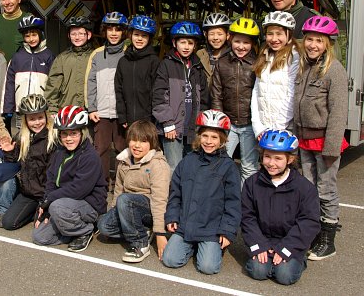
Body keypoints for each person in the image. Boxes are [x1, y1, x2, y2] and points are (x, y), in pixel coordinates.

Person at [162, 110, 241, 275]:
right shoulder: (187, 161)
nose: (209, 141)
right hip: (186, 225)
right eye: (205, 136)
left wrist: (227, 231)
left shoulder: (228, 167)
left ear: (223, 140)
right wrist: (172, 216)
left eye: (214, 137)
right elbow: (175, 193)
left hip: (211, 229)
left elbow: (233, 203)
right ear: (199, 136)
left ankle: (209, 248)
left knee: (208, 267)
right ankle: (194, 246)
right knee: (170, 260)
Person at [294, 16, 347, 260]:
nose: (313, 45)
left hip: (324, 140)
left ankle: (328, 240)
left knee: (326, 189)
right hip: (304, 138)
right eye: (310, 39)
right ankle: (314, 232)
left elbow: (338, 111)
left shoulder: (334, 70)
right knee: (309, 188)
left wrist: (332, 148)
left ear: (328, 43)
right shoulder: (304, 66)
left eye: (319, 40)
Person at [242, 129, 320, 285]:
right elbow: (247, 217)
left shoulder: (304, 188)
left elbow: (309, 222)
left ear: (290, 159)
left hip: (291, 242)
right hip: (263, 239)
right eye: (267, 156)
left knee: (285, 276)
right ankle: (269, 261)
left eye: (278, 158)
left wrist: (287, 248)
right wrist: (259, 245)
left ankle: (295, 260)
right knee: (258, 271)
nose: (271, 163)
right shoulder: (252, 183)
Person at [32, 105, 107, 253]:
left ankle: (85, 230)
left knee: (57, 207)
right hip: (64, 204)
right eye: (64, 134)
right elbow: (51, 180)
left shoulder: (90, 156)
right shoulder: (59, 152)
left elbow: (78, 190)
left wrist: (50, 201)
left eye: (74, 133)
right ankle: (71, 229)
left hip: (89, 204)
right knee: (39, 237)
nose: (68, 138)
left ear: (82, 132)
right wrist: (45, 205)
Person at [97, 120, 171, 263]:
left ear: (152, 143)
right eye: (133, 140)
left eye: (143, 141)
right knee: (103, 226)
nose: (137, 145)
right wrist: (113, 212)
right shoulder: (124, 161)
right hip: (126, 205)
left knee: (125, 200)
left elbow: (160, 200)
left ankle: (140, 242)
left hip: (149, 209)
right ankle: (141, 230)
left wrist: (160, 233)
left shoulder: (158, 165)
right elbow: (118, 190)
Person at [152, 21, 209, 171]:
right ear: (174, 43)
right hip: (172, 126)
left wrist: (201, 123)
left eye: (190, 43)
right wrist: (167, 122)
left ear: (195, 45)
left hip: (192, 126)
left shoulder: (197, 67)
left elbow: (204, 98)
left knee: (192, 167)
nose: (186, 47)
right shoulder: (166, 65)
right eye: (182, 42)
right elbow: (159, 96)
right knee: (174, 166)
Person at [211, 17, 260, 184]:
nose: (241, 46)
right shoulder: (222, 63)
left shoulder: (258, 63)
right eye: (237, 41)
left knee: (249, 166)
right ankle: (220, 196)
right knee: (219, 163)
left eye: (246, 43)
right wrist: (219, 123)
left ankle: (247, 197)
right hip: (228, 123)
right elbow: (216, 93)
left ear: (253, 43)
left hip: (249, 123)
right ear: (230, 39)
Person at [0, 94, 56, 230]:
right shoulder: (22, 137)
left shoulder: (53, 138)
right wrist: (10, 151)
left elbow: (55, 175)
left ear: (46, 116)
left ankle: (38, 211)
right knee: (8, 223)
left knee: (41, 228)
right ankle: (31, 211)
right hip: (28, 193)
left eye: (40, 117)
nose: (37, 122)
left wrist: (47, 201)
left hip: (47, 194)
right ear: (25, 120)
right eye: (32, 119)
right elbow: (14, 162)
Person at [86, 12, 129, 183]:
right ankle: (101, 186)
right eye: (110, 29)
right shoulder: (97, 54)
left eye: (117, 30)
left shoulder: (128, 53)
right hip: (101, 112)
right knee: (101, 150)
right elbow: (90, 82)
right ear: (104, 31)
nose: (113, 33)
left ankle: (120, 184)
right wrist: (92, 108)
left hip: (121, 113)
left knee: (122, 149)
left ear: (123, 32)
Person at [1, 15, 55, 130]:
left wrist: (52, 107)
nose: (31, 39)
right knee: (21, 137)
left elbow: (54, 84)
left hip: (41, 108)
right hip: (21, 109)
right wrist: (7, 109)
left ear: (41, 34)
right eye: (27, 36)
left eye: (34, 35)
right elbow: (9, 83)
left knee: (41, 137)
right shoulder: (17, 57)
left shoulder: (49, 56)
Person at [252, 11, 299, 140]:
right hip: (264, 128)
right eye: (270, 34)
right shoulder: (264, 55)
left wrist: (277, 129)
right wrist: (258, 127)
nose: (274, 39)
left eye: (279, 34)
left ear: (289, 35)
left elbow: (292, 94)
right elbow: (256, 92)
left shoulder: (294, 57)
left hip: (284, 129)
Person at [115, 15, 161, 128]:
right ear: (130, 35)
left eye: (144, 36)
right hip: (128, 119)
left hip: (148, 119)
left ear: (149, 38)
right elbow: (118, 90)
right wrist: (122, 116)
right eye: (136, 35)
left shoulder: (154, 61)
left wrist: (154, 117)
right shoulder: (123, 61)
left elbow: (158, 91)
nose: (139, 39)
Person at [44, 16, 94, 114]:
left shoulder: (95, 56)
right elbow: (53, 87)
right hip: (67, 110)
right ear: (68, 36)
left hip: (91, 111)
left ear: (89, 35)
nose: (77, 37)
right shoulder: (61, 58)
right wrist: (52, 110)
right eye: (73, 34)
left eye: (81, 34)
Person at [196, 13, 231, 85]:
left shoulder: (233, 55)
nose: (215, 38)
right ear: (206, 35)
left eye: (220, 34)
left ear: (227, 35)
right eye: (211, 34)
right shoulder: (200, 54)